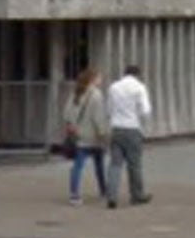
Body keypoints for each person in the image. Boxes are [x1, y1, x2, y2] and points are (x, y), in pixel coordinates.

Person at [104, 63, 153, 207]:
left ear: (124, 73)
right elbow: (145, 111)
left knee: (115, 164)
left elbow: (109, 109)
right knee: (134, 165)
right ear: (137, 74)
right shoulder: (140, 87)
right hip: (132, 128)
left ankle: (111, 196)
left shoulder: (113, 87)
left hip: (116, 128)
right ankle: (137, 195)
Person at [60, 66, 109, 204]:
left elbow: (66, 114)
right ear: (93, 79)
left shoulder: (76, 92)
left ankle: (74, 194)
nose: (101, 80)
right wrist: (103, 134)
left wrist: (71, 126)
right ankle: (103, 190)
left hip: (79, 135)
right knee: (99, 164)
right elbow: (98, 117)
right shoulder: (96, 95)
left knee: (77, 166)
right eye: (99, 77)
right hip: (93, 136)